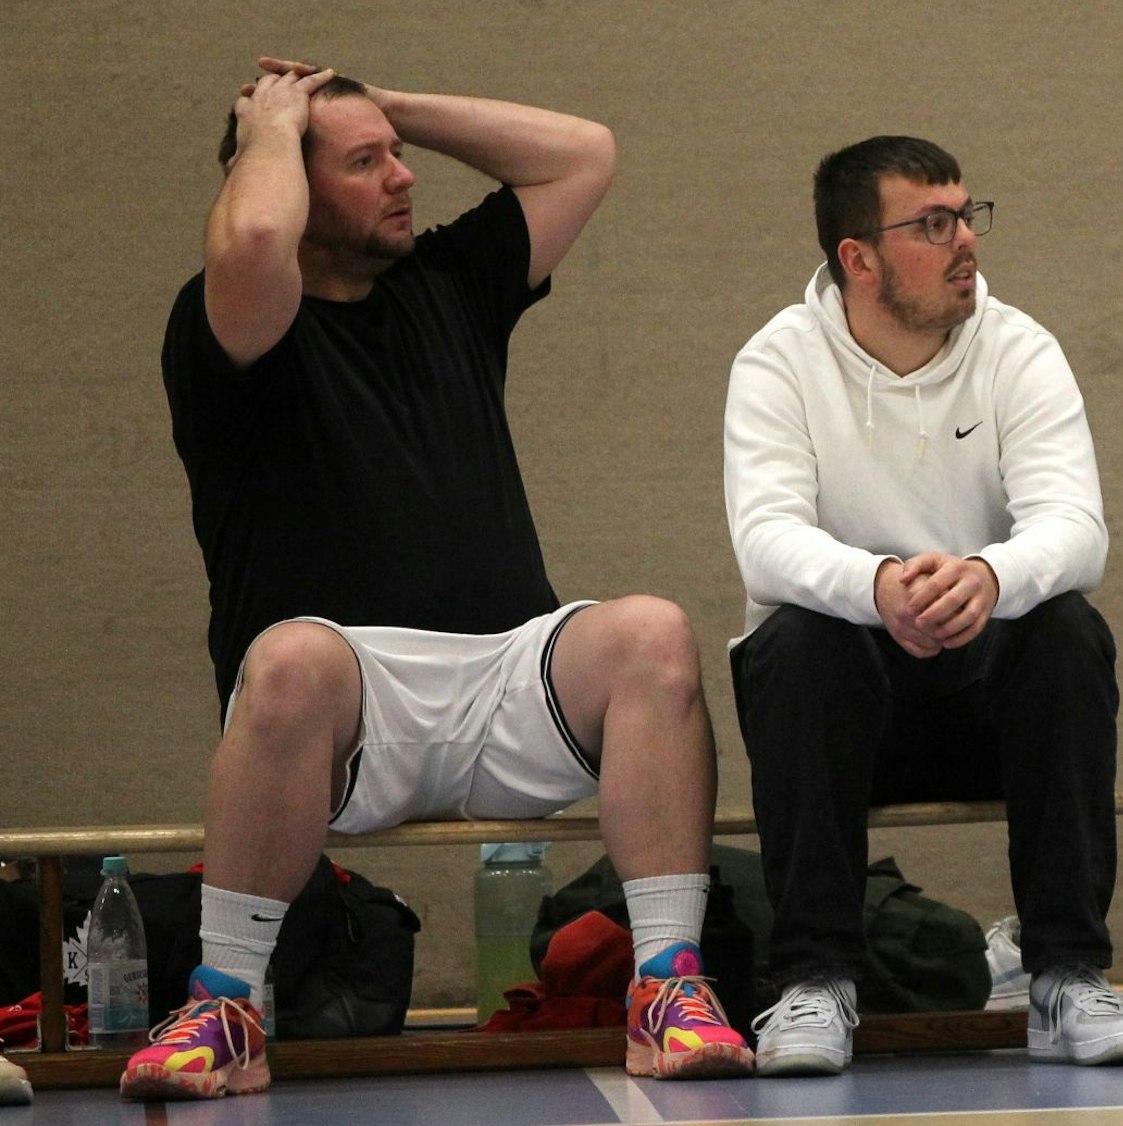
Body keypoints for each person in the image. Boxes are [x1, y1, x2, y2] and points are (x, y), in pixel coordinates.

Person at [129, 58, 751, 1099]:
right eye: (367, 164)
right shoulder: (231, 321)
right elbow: (248, 235)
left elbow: (581, 155)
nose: (403, 176)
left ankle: (666, 986)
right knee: (284, 657)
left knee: (650, 631)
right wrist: (273, 128)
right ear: (286, 177)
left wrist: (379, 105)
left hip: (508, 679)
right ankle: (225, 1005)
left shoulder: (447, 282)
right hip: (346, 706)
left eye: (398, 155)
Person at [723, 136, 1123, 1076]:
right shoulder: (776, 362)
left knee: (1067, 628)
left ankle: (1065, 977)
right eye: (933, 224)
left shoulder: (1019, 347)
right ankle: (813, 984)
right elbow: (764, 541)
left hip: (987, 699)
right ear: (859, 258)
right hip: (844, 706)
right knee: (795, 639)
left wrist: (990, 577)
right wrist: (879, 587)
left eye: (968, 215)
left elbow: (1077, 526)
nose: (966, 240)